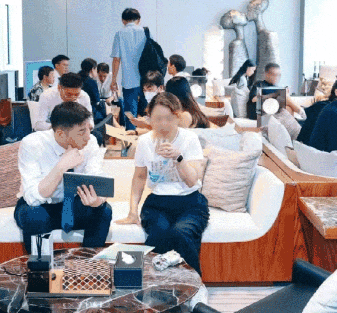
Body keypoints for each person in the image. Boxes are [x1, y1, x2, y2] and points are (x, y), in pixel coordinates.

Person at [116, 92, 209, 275]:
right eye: (158, 119)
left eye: (169, 118)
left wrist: (178, 157)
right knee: (159, 234)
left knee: (181, 233)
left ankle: (190, 285)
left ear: (178, 117)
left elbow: (193, 180)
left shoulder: (189, 139)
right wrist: (133, 211)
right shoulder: (144, 142)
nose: (163, 124)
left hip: (190, 202)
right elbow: (139, 177)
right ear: (149, 118)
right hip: (157, 203)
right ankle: (156, 285)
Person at [14, 102, 112, 253]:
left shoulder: (91, 142)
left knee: (104, 210)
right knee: (35, 216)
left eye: (89, 129)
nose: (88, 136)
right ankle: (42, 266)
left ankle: (87, 263)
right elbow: (33, 198)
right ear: (60, 134)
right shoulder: (33, 144)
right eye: (81, 131)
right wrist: (61, 167)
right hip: (41, 206)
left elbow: (98, 179)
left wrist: (97, 201)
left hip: (73, 205)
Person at [110, 8, 146, 131]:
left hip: (129, 80)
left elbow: (116, 59)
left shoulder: (120, 34)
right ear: (139, 20)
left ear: (123, 21)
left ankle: (130, 139)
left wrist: (113, 80)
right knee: (148, 111)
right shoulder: (145, 32)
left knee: (130, 113)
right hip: (146, 79)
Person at [78, 58, 106, 124]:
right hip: (89, 110)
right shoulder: (91, 82)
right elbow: (97, 101)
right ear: (92, 69)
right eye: (96, 69)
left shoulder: (77, 77)